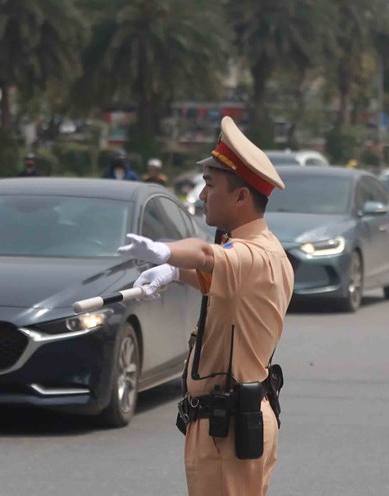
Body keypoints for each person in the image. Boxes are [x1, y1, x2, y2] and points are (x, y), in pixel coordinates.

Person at [117, 117, 294, 496]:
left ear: (241, 197)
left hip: (228, 428)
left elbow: (204, 255)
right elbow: (211, 275)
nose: (201, 196)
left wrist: (166, 252)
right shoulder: (260, 252)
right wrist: (170, 272)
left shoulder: (251, 255)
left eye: (210, 186)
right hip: (227, 421)